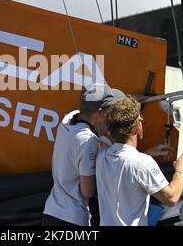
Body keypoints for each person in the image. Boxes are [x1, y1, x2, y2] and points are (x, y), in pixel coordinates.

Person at [96, 95, 183, 226]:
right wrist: (181, 170)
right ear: (138, 126)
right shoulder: (141, 162)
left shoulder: (102, 155)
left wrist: (148, 153)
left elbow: (123, 161)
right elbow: (171, 198)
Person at [42, 83, 125, 226]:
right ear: (100, 113)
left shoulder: (69, 118)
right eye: (110, 110)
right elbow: (87, 191)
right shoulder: (88, 142)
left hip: (51, 212)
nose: (112, 115)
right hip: (72, 220)